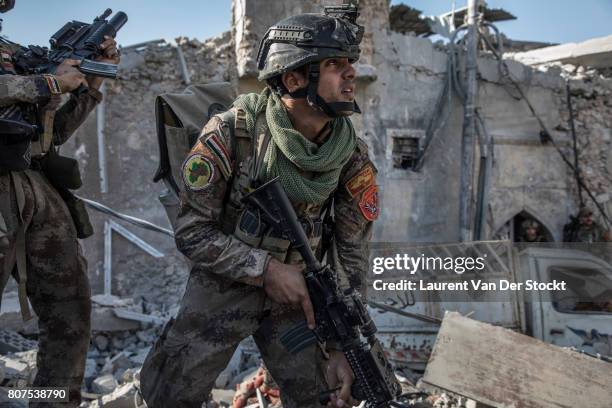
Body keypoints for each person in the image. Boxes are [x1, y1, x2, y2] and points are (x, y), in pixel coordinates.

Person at [141, 7, 377, 408]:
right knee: (169, 395)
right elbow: (192, 232)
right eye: (335, 64)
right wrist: (264, 269)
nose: (351, 73)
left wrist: (343, 343)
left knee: (323, 396)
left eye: (350, 63)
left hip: (298, 298)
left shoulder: (350, 154)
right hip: (225, 286)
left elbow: (351, 252)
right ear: (293, 78)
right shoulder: (233, 133)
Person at [0, 1, 120, 405]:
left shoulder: (14, 54)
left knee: (69, 312)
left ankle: (53, 399)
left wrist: (89, 87)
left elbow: (48, 136)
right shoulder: (32, 71)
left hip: (32, 187)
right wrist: (48, 83)